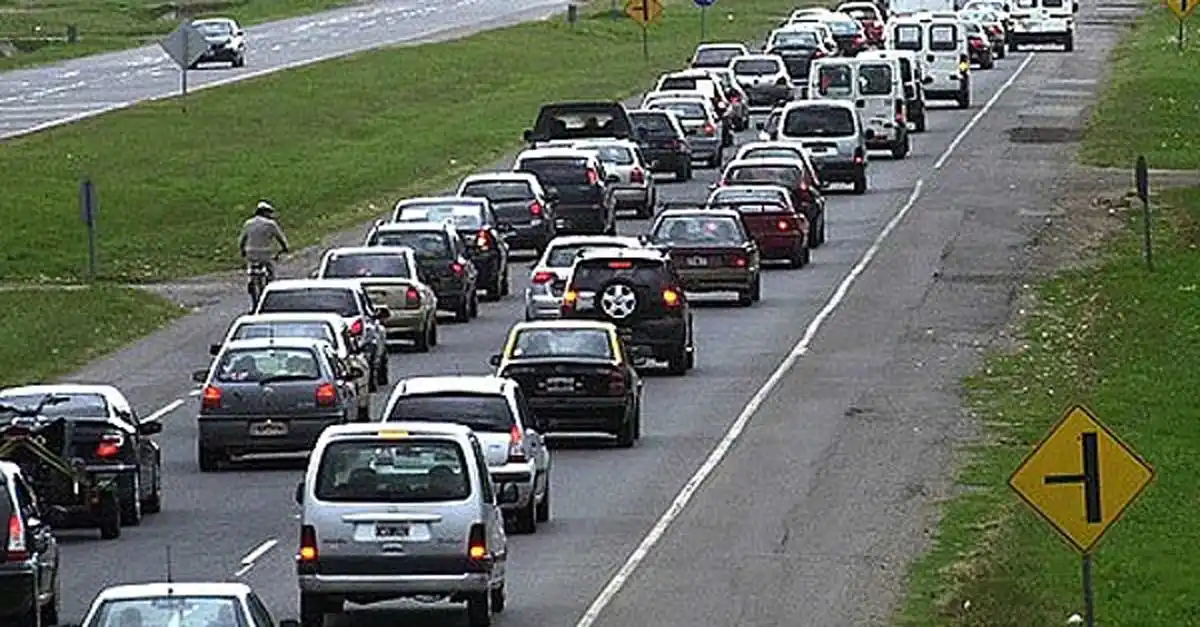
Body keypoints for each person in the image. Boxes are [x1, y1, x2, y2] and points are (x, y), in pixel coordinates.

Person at [238, 200, 290, 285]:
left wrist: (242, 250)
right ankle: (270, 283)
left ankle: (250, 280)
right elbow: (280, 238)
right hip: (265, 253)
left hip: (251, 253)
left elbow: (242, 239)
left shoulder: (248, 223)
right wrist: (285, 247)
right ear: (264, 212)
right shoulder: (270, 224)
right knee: (271, 270)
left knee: (251, 266)